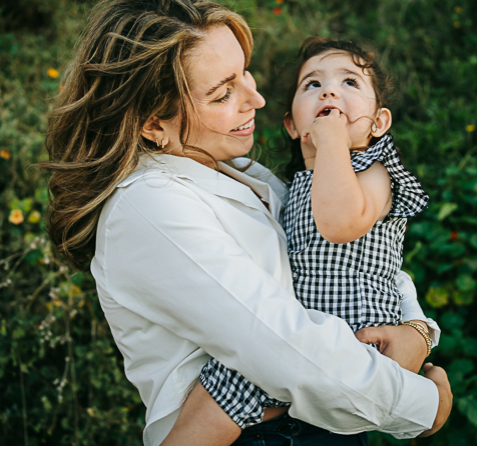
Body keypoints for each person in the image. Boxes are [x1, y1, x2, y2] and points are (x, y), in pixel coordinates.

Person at [42, 0, 452, 446]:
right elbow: (283, 346)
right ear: (154, 122)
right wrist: (423, 406)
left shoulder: (243, 172)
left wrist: (418, 329)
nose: (256, 99)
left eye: (245, 74)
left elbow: (366, 257)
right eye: (223, 94)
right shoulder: (148, 206)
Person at [161, 36, 433, 445]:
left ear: (379, 123)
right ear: (292, 124)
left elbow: (341, 224)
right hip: (298, 337)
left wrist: (332, 143)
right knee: (216, 392)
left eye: (350, 83)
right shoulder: (293, 189)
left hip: (354, 334)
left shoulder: (375, 171)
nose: (329, 91)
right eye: (312, 84)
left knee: (229, 390)